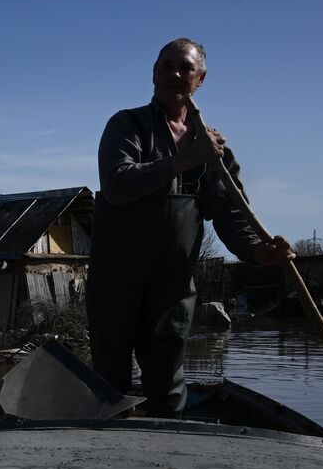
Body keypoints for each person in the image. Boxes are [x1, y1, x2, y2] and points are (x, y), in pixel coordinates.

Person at [89, 38, 294, 417]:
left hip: (172, 285)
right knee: (108, 384)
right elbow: (117, 185)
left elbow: (231, 214)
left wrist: (258, 251)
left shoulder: (213, 150)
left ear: (200, 79)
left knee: (167, 384)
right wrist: (185, 160)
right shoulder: (127, 125)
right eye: (166, 66)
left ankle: (167, 462)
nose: (174, 74)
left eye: (184, 68)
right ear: (153, 74)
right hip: (117, 281)